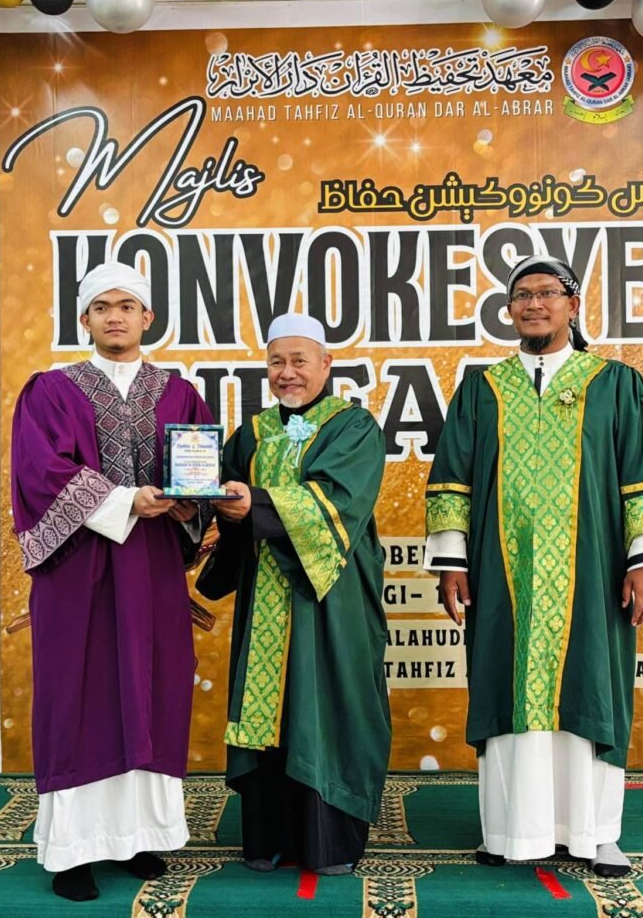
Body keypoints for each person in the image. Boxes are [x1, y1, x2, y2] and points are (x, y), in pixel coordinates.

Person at [425, 255, 643, 878]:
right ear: (509, 310)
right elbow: (452, 479)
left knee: (591, 688)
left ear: (572, 304)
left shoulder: (616, 385)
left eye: (546, 293)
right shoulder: (482, 390)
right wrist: (452, 562)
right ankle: (510, 830)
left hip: (592, 574)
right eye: (521, 296)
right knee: (505, 688)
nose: (533, 304)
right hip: (501, 574)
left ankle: (597, 833)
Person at [11, 262, 214, 901]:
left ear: (147, 317)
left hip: (152, 568)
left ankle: (137, 837)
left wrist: (190, 503)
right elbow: (40, 473)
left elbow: (197, 476)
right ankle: (72, 852)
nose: (116, 316)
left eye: (127, 306)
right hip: (80, 572)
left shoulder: (179, 394)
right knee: (78, 694)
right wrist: (126, 500)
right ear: (85, 320)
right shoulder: (50, 390)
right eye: (102, 307)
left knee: (154, 687)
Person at [197, 312, 391, 876]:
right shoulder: (251, 434)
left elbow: (338, 501)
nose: (288, 373)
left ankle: (330, 840)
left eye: (300, 361)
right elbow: (217, 498)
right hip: (265, 596)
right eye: (277, 362)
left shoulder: (354, 427)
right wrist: (205, 507)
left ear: (326, 365)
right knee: (273, 713)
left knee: (329, 702)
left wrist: (253, 504)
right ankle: (269, 835)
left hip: (332, 599)